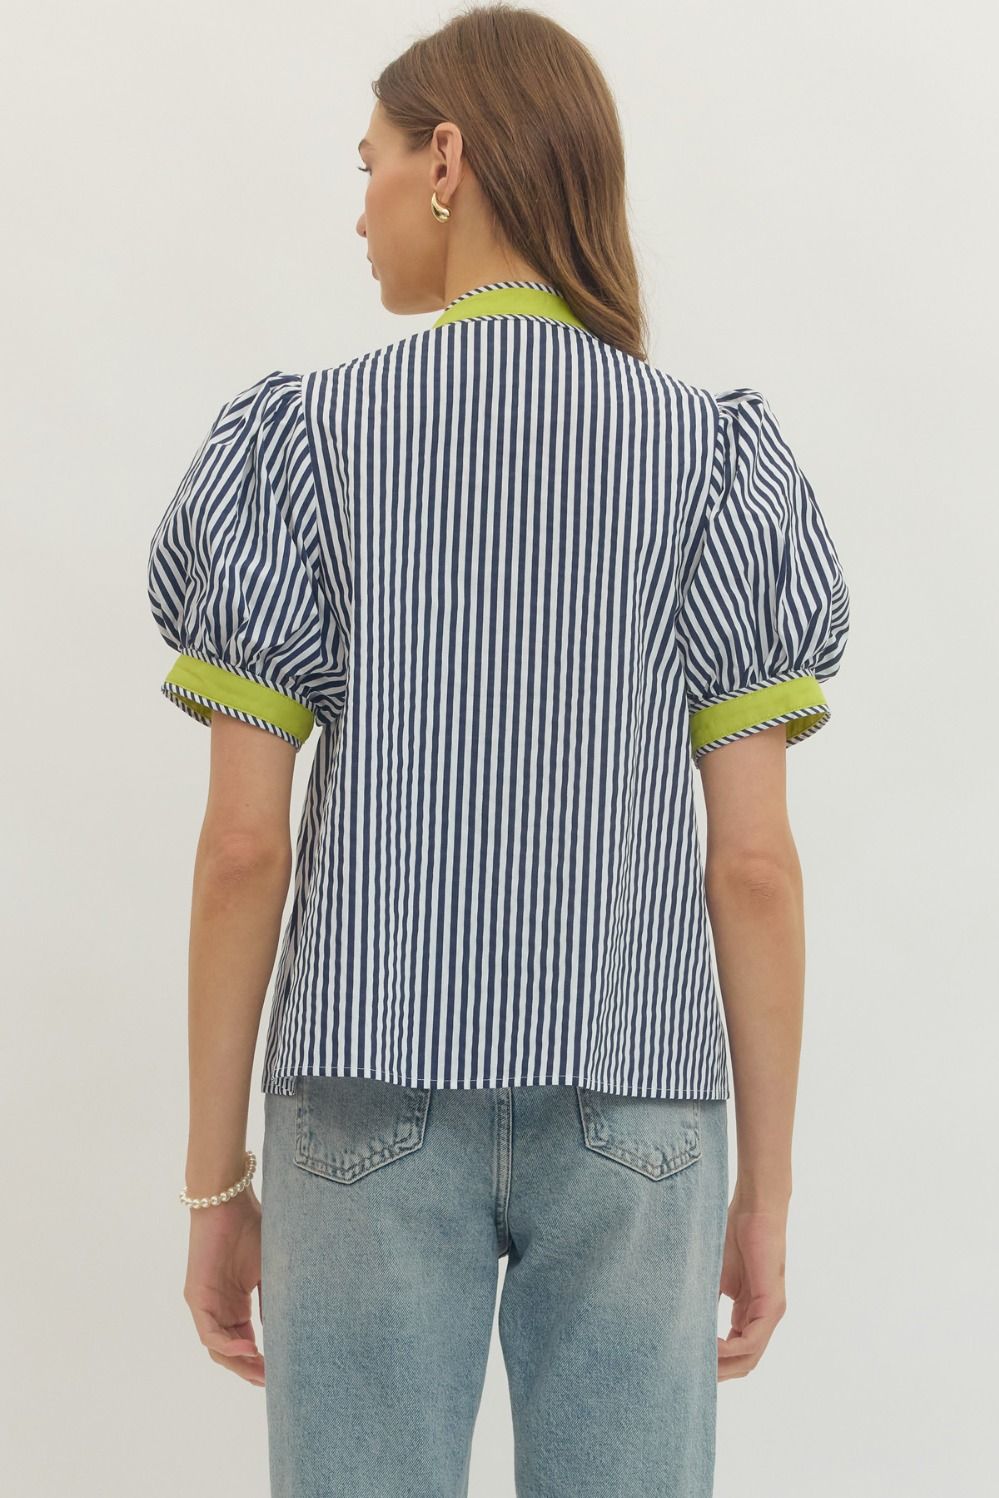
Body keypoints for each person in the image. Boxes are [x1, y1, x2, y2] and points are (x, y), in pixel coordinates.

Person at [147, 6, 851, 1495]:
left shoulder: (302, 450)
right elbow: (755, 865)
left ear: (448, 160)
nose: (360, 210)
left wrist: (216, 1185)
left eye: (372, 164)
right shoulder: (714, 464)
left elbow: (242, 848)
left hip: (363, 1088)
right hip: (642, 1099)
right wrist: (766, 1194)